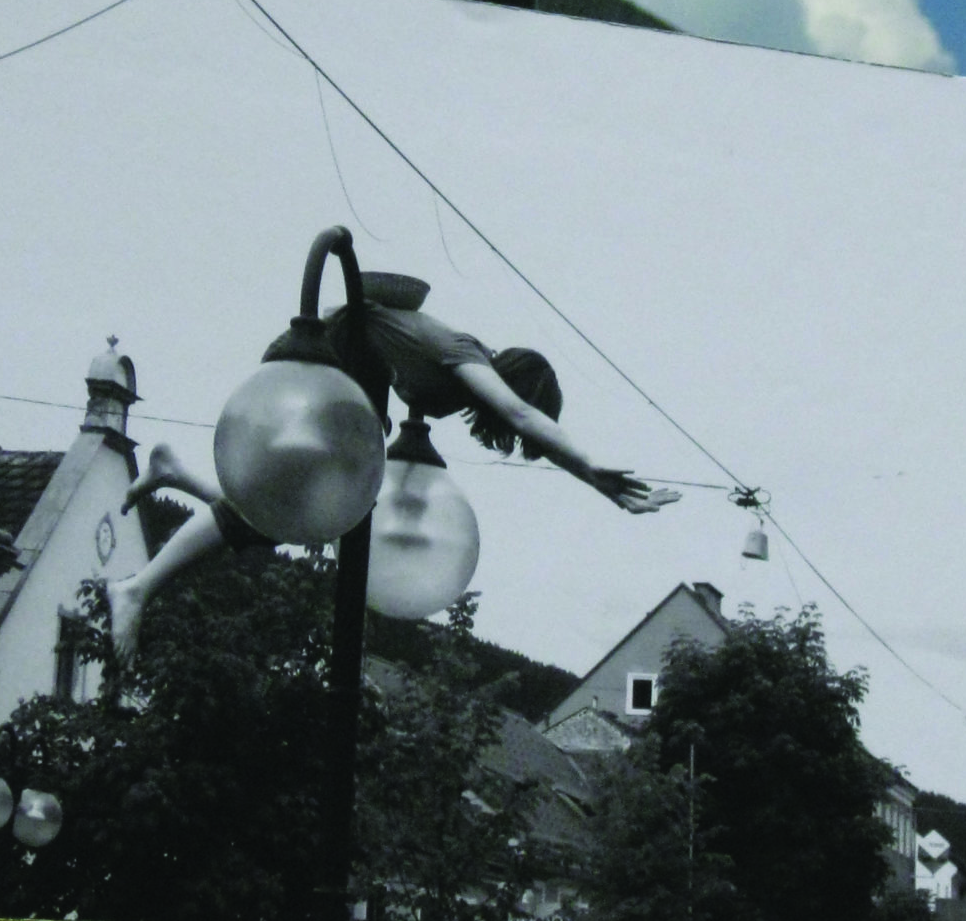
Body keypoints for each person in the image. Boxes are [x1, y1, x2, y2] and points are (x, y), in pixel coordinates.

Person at [105, 281, 676, 656]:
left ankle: (171, 481)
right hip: (311, 360)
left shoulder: (458, 373)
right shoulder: (465, 359)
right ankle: (139, 585)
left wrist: (598, 488)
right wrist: (593, 469)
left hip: (345, 378)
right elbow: (520, 413)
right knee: (301, 510)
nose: (505, 438)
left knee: (304, 518)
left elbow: (517, 419)